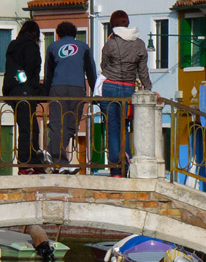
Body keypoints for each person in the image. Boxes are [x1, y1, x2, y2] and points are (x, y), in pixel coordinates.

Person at [100, 10, 152, 177]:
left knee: (112, 127)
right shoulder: (140, 44)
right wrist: (148, 88)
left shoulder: (110, 44)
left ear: (113, 25)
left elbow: (104, 66)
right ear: (127, 23)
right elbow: (143, 72)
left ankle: (115, 169)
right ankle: (126, 162)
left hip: (109, 87)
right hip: (128, 89)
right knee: (125, 126)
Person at [43, 21, 97, 174]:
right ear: (75, 34)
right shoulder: (84, 47)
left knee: (56, 124)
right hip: (77, 89)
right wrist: (95, 93)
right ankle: (59, 160)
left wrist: (45, 94)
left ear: (58, 34)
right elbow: (91, 71)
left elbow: (48, 73)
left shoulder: (52, 47)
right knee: (71, 125)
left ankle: (53, 155)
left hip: (57, 89)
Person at [2, 20, 46, 174]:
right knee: (30, 129)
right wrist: (36, 88)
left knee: (28, 127)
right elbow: (31, 70)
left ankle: (31, 161)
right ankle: (26, 164)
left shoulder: (12, 47)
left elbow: (11, 70)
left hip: (13, 93)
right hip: (26, 93)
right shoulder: (30, 48)